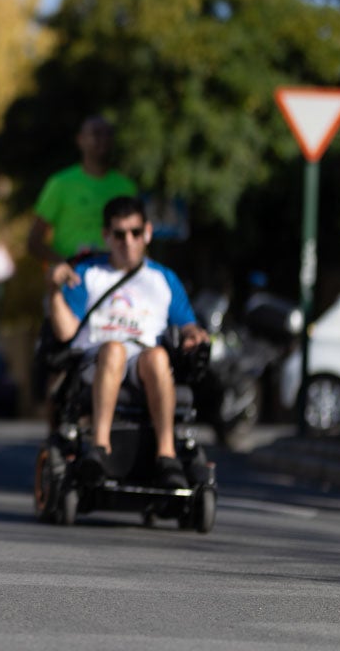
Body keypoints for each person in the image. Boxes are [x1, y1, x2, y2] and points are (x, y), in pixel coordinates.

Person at [47, 196, 208, 489]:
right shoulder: (88, 274)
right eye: (119, 234)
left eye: (135, 233)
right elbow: (65, 332)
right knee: (114, 349)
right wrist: (54, 291)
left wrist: (193, 335)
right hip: (96, 359)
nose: (128, 242)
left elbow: (186, 323)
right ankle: (99, 447)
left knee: (158, 356)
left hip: (142, 361)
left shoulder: (163, 279)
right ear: (106, 235)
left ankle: (166, 455)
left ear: (147, 232)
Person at [27, 115, 137, 285]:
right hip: (71, 283)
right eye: (96, 134)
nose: (102, 139)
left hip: (114, 282)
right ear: (80, 140)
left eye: (107, 134)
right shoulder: (60, 184)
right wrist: (63, 264)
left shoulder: (126, 187)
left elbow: (137, 237)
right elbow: (34, 241)